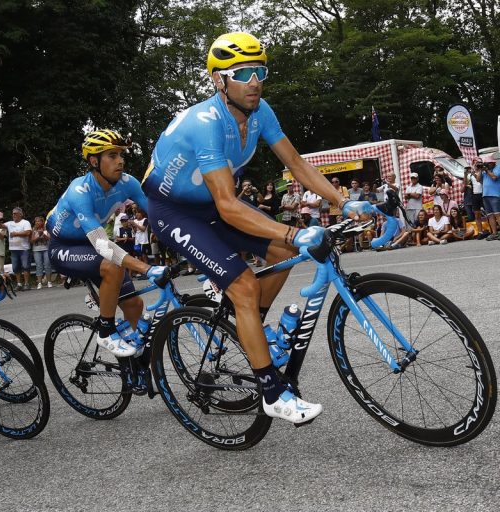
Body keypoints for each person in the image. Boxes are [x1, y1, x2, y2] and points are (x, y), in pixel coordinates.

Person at [142, 32, 369, 424]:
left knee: (282, 254)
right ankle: (272, 392)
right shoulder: (206, 122)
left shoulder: (262, 111)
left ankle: (253, 332)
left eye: (259, 71)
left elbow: (297, 166)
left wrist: (342, 201)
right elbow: (229, 206)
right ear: (219, 81)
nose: (254, 81)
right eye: (242, 72)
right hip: (174, 211)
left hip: (213, 203)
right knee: (245, 284)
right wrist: (295, 232)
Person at [47, 129, 165, 358]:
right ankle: (106, 331)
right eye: (112, 155)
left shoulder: (127, 183)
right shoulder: (80, 190)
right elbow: (101, 244)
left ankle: (137, 363)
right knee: (113, 265)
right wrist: (147, 268)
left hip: (91, 243)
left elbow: (157, 215)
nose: (120, 160)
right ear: (94, 161)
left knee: (135, 307)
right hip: (64, 247)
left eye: (121, 155)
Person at [5, 207, 32, 290]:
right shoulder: (9, 223)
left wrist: (16, 234)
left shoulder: (25, 222)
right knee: (16, 267)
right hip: (13, 249)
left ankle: (27, 284)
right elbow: (0, 225)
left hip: (24, 249)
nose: (13, 215)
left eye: (15, 213)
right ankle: (19, 284)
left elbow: (28, 232)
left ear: (20, 214)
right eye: (13, 213)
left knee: (26, 266)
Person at [477, 159, 500, 240]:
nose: (488, 165)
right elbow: (478, 179)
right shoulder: (485, 170)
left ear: (493, 162)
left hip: (495, 194)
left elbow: (494, 177)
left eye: (489, 163)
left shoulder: (498, 168)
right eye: (486, 163)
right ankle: (494, 233)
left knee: (498, 214)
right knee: (490, 215)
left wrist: (487, 170)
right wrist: (480, 169)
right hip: (485, 195)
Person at [31, 216, 53, 289]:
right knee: (39, 266)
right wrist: (38, 236)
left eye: (39, 221)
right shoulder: (33, 230)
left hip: (46, 249)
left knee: (47, 265)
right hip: (36, 250)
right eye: (36, 221)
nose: (37, 222)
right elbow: (32, 241)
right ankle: (39, 283)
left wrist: (43, 234)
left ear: (42, 222)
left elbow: (49, 238)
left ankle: (49, 282)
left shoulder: (46, 229)